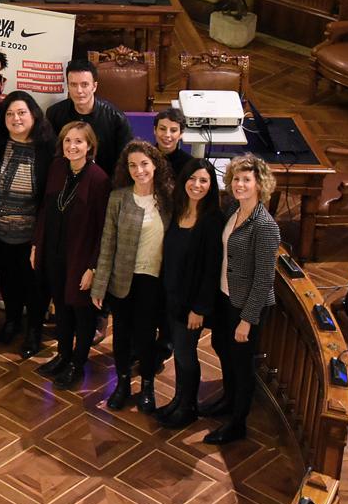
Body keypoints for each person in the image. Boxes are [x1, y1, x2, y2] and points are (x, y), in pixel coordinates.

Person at [91, 140, 174, 413]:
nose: (139, 170)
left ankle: (147, 385)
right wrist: (99, 285)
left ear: (155, 165)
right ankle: (123, 383)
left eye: (144, 164)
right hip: (122, 279)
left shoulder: (168, 199)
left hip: (153, 281)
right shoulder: (118, 197)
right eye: (133, 165)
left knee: (146, 336)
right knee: (123, 336)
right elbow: (107, 244)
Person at [204, 154, 281, 444]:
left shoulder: (265, 226)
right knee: (220, 346)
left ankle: (238, 423)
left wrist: (247, 321)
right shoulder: (232, 210)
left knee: (241, 363)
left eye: (246, 179)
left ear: (259, 184)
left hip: (247, 306)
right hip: (226, 296)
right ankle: (227, 398)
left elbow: (264, 280)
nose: (239, 184)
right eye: (236, 178)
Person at [32, 122, 111, 389]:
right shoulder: (56, 168)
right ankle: (63, 355)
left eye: (79, 141)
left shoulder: (99, 179)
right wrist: (36, 245)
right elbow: (44, 209)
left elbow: (103, 229)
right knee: (62, 308)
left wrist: (93, 267)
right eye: (67, 141)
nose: (72, 146)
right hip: (54, 252)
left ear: (89, 146)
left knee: (82, 313)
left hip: (81, 257)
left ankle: (78, 362)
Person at [0, 91, 55, 358]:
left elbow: (50, 196)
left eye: (22, 112)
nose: (16, 118)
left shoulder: (48, 147)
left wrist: (40, 236)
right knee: (9, 280)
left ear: (34, 114)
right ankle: (12, 320)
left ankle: (34, 330)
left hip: (33, 234)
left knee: (34, 285)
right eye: (10, 113)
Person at [156, 159, 225, 429]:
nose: (197, 185)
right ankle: (178, 399)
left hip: (192, 304)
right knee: (180, 354)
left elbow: (211, 269)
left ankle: (188, 407)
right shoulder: (177, 210)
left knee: (186, 354)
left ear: (211, 185)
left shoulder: (212, 221)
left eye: (204, 181)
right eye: (192, 179)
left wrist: (200, 308)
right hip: (172, 296)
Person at [46, 59, 133, 177]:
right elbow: (50, 153)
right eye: (73, 85)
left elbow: (125, 159)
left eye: (84, 84)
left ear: (94, 86)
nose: (79, 91)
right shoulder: (54, 113)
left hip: (104, 181)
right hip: (65, 179)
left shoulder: (115, 118)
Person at [154, 107, 193, 177]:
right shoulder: (145, 158)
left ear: (181, 134)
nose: (167, 135)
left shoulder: (189, 164)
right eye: (162, 129)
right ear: (155, 130)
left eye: (173, 130)